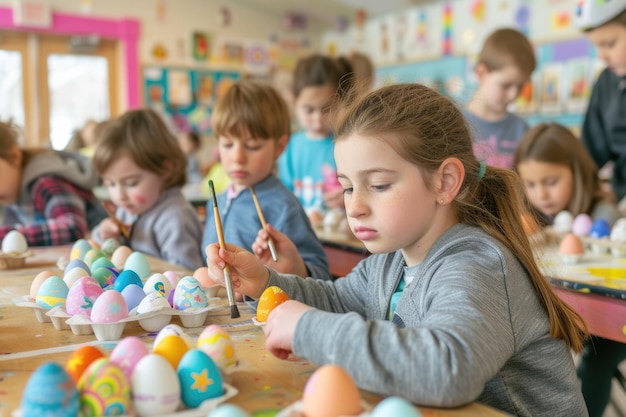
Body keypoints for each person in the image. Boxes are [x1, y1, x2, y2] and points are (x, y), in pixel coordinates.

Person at [205, 83, 588, 416]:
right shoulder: (389, 260)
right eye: (349, 186)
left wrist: (306, 328)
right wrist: (265, 283)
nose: (354, 206)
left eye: (379, 185)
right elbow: (339, 301)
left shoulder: (477, 265)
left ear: (445, 182)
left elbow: (447, 370)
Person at [201, 80, 330, 281]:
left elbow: (322, 279)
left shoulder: (283, 206)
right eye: (227, 144)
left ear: (279, 146)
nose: (237, 158)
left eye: (252, 146)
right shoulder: (218, 200)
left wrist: (295, 269)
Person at [91, 108, 204, 270]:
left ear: (164, 170)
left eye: (131, 183)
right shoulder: (128, 208)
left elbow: (187, 276)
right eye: (111, 183)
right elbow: (102, 250)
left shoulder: (176, 218)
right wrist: (104, 235)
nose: (119, 196)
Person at [0, 121, 107, 246]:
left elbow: (73, 227)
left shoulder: (45, 182)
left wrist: (7, 236)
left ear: (14, 155)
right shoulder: (11, 196)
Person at [278, 53, 353, 226]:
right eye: (309, 110)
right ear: (294, 101)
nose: (318, 119)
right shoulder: (288, 147)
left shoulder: (347, 145)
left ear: (340, 102)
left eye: (327, 109)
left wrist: (348, 195)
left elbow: (362, 191)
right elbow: (284, 197)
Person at [514, 122, 619, 227]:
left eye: (551, 182)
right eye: (530, 184)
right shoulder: (528, 220)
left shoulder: (603, 217)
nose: (541, 195)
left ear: (577, 173)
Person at [575, 1, 626, 213]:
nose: (602, 56)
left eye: (610, 44)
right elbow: (589, 151)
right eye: (597, 46)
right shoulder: (606, 83)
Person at [464, 28, 536, 169]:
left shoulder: (521, 130)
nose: (513, 95)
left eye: (520, 86)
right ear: (481, 73)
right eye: (506, 85)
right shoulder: (455, 124)